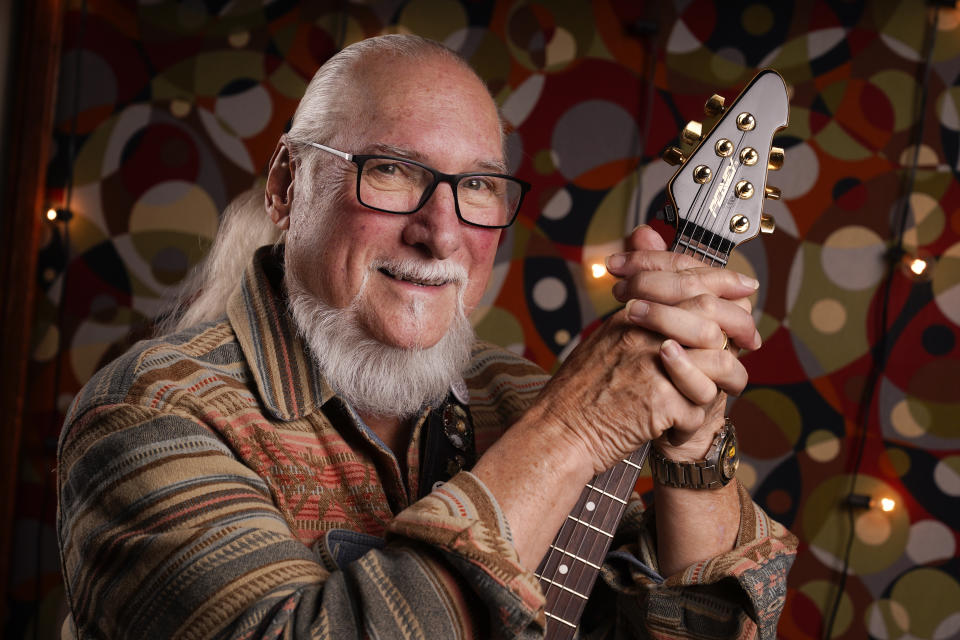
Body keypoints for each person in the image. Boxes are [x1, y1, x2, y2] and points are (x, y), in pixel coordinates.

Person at [57, 34, 796, 639]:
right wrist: (575, 427)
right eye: (392, 172)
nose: (441, 233)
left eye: (477, 186)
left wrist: (694, 453)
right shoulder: (150, 414)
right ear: (287, 185)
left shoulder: (518, 400)